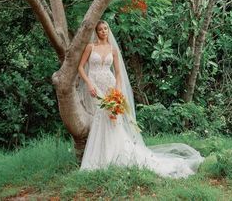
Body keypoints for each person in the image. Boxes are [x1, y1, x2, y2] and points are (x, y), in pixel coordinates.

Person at [77, 20, 203, 177]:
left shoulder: (112, 49)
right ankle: (100, 158)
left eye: (106, 28)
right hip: (95, 86)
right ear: (96, 32)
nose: (103, 31)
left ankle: (115, 157)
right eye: (100, 29)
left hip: (110, 87)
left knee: (112, 119)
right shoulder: (91, 47)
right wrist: (89, 84)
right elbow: (81, 67)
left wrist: (117, 89)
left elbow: (117, 72)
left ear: (108, 30)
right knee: (100, 117)